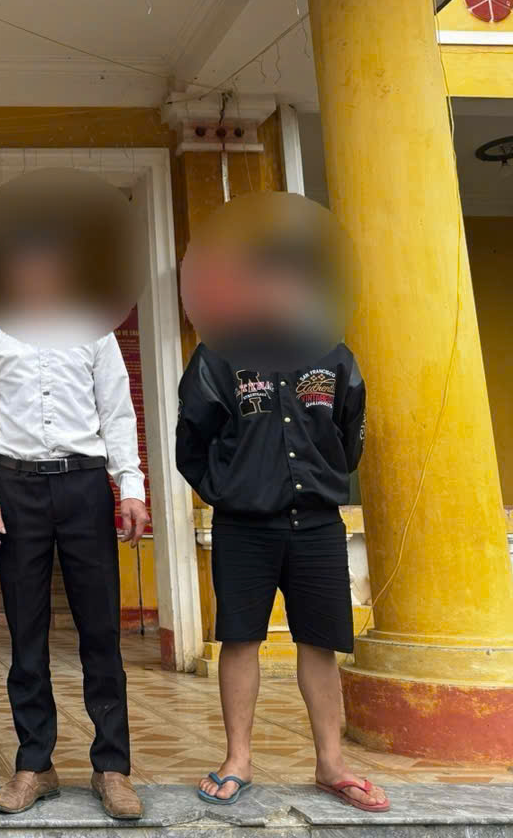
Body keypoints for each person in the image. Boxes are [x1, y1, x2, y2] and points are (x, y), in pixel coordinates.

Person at [0, 232, 148, 820]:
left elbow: (118, 413)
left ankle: (112, 767)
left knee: (100, 630)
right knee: (26, 633)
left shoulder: (95, 333)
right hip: (17, 490)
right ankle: (34, 764)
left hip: (83, 486)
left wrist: (131, 486)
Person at [176, 335, 386, 812]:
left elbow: (350, 435)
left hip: (317, 521)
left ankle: (330, 763)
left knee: (320, 642)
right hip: (243, 524)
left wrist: (322, 474)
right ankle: (238, 759)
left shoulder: (334, 357)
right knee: (239, 638)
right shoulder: (218, 355)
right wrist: (228, 488)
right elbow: (191, 439)